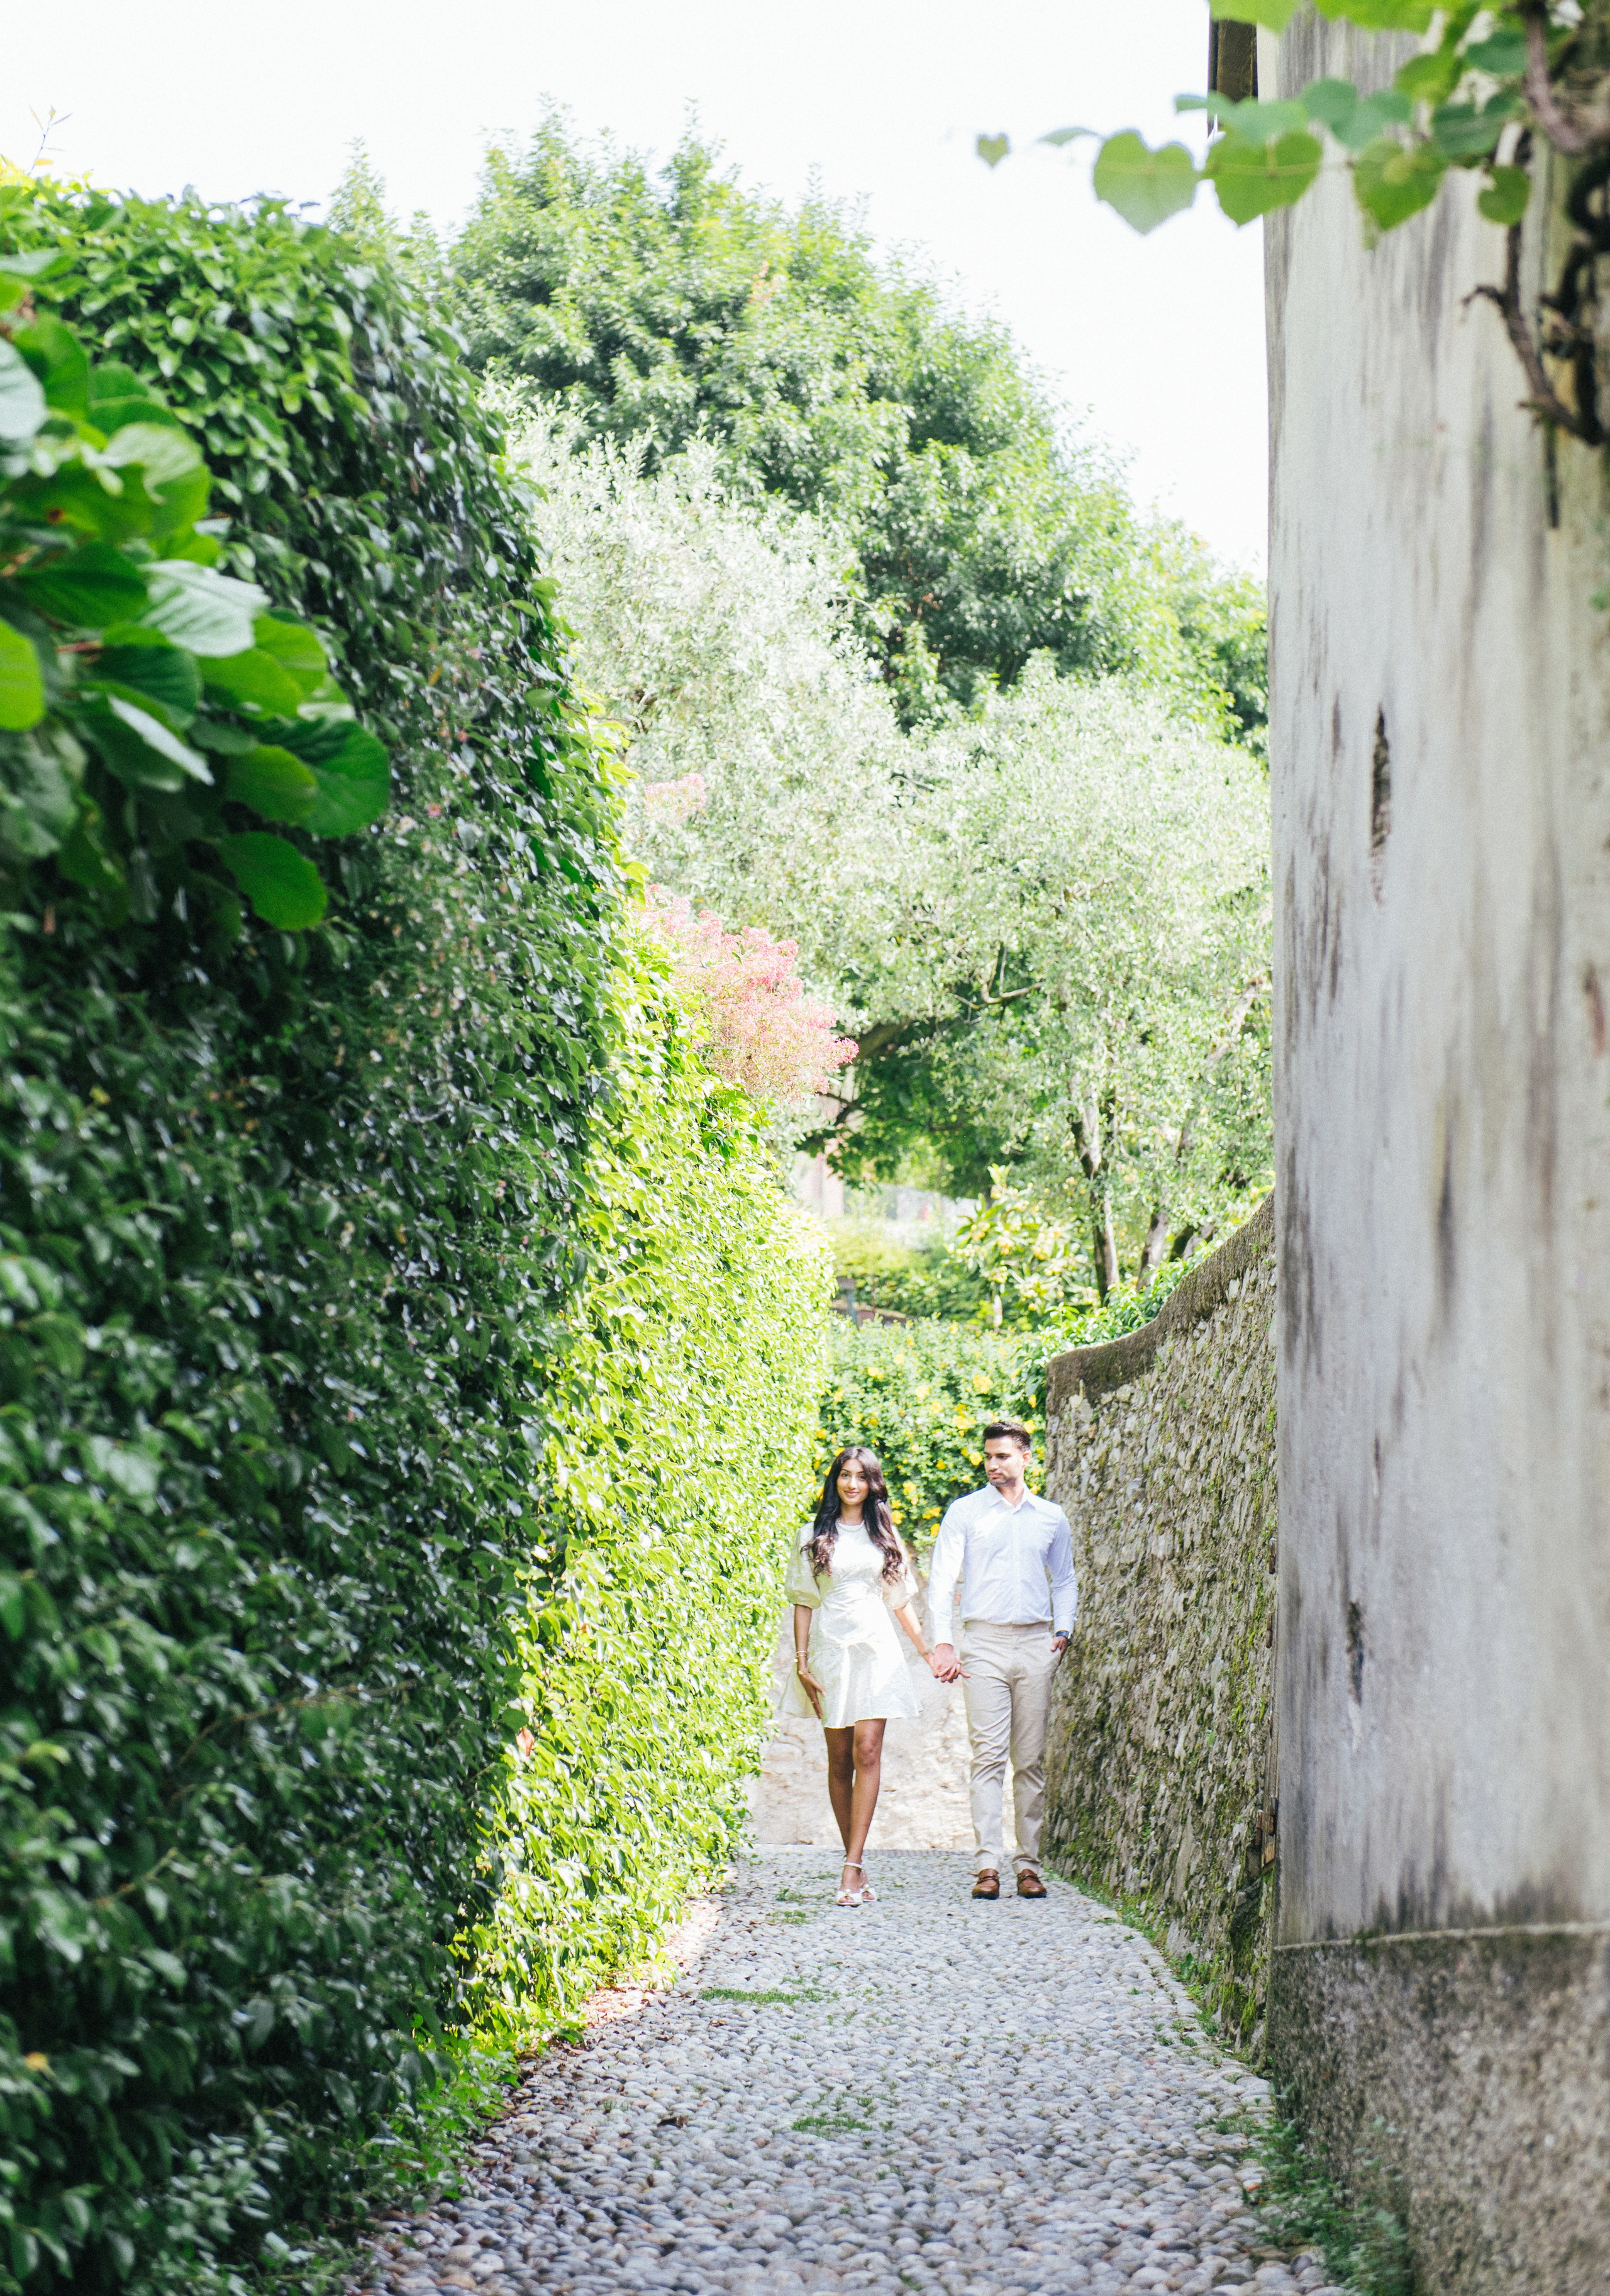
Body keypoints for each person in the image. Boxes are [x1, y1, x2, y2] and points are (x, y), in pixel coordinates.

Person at [783, 1445, 941, 1905]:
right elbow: (803, 1600)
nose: (852, 1484)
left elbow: (899, 1601)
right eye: (845, 1475)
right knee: (839, 1762)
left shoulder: (883, 1533)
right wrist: (802, 1662)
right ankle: (855, 1862)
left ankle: (851, 1866)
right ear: (835, 1481)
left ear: (874, 1484)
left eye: (861, 1477)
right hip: (831, 1651)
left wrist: (927, 1653)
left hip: (877, 1651)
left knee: (867, 1750)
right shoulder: (811, 1533)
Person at [927, 1420, 1077, 1900]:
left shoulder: (1051, 1517)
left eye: (1003, 1457)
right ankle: (987, 1865)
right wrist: (944, 1643)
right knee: (988, 1756)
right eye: (988, 1457)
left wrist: (1064, 1628)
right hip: (984, 1644)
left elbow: (1064, 1579)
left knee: (1030, 1761)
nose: (993, 1465)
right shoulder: (965, 1513)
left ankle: (1028, 1865)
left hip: (1036, 1644)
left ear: (1026, 1458)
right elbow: (942, 1579)